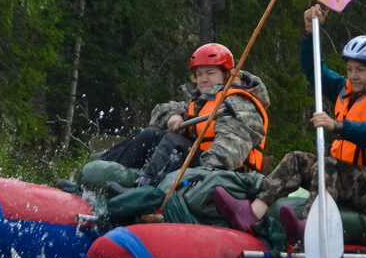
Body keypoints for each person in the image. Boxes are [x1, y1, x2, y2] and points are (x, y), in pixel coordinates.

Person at [214, 4, 366, 245]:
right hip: (356, 180)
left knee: (328, 166)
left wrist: (337, 126)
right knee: (297, 159)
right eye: (350, 69)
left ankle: (310, 229)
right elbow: (314, 70)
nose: (353, 75)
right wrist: (309, 34)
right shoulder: (345, 90)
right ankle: (252, 213)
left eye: (361, 70)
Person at [95, 43, 270, 185]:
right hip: (198, 164)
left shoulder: (239, 103)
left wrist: (196, 175)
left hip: (222, 174)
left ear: (226, 76)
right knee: (151, 134)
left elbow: (229, 152)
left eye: (210, 73)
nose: (203, 79)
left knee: (173, 141)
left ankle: (142, 189)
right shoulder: (200, 101)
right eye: (199, 74)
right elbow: (159, 111)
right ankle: (96, 175)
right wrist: (174, 115)